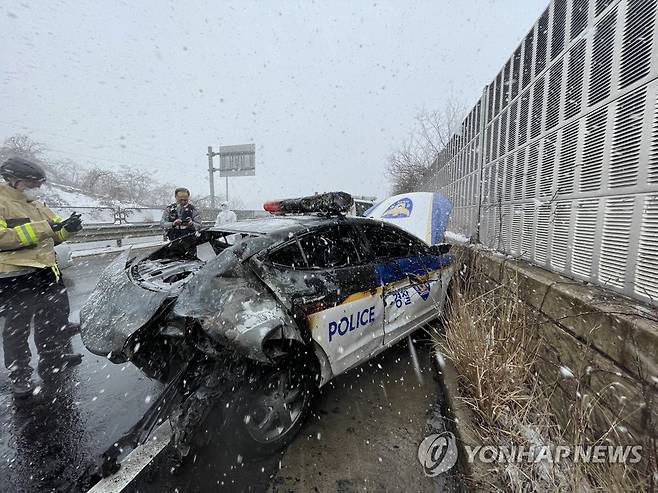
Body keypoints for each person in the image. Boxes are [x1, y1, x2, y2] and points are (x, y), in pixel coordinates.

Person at [0, 157, 84, 398]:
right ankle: (20, 374)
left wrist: (69, 228)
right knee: (17, 329)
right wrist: (46, 229)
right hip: (15, 275)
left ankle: (52, 358)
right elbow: (3, 237)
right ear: (13, 180)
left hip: (46, 271)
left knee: (53, 320)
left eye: (37, 184)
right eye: (30, 183)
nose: (35, 188)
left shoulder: (37, 203)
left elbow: (56, 234)